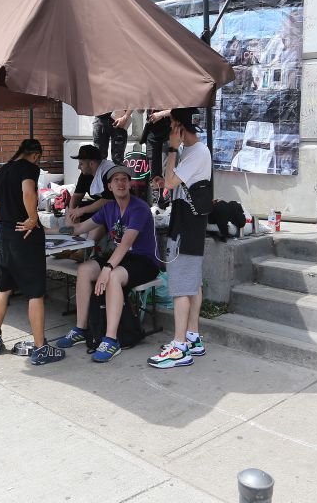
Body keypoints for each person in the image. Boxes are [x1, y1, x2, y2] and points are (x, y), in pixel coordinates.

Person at [53, 165, 160, 362]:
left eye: (124, 179)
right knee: (85, 269)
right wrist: (49, 231)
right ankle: (81, 328)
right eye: (116, 180)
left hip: (145, 261)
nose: (121, 183)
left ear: (129, 184)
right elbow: (78, 229)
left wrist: (107, 269)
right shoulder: (108, 208)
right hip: (122, 258)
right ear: (109, 187)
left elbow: (126, 243)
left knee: (113, 275)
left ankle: (111, 340)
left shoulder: (139, 208)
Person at [0, 139, 65, 365]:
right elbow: (28, 192)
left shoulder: (3, 170)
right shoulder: (29, 168)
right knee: (35, 292)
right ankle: (41, 348)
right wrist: (32, 218)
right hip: (26, 236)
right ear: (35, 155)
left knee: (3, 288)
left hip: (7, 234)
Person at [148, 108, 212, 369]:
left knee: (180, 287)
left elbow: (171, 184)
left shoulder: (196, 151)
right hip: (190, 223)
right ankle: (192, 336)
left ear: (181, 127)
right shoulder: (195, 152)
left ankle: (179, 346)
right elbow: (173, 182)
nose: (171, 132)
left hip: (186, 226)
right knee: (193, 284)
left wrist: (172, 150)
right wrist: (167, 175)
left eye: (173, 126)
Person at [66, 144, 116, 224]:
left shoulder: (108, 172)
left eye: (81, 164)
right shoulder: (85, 174)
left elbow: (108, 200)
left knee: (101, 213)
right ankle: (70, 231)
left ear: (91, 164)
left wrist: (81, 210)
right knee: (70, 207)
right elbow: (77, 195)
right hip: (99, 208)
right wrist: (72, 211)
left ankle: (81, 232)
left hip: (115, 209)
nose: (78, 167)